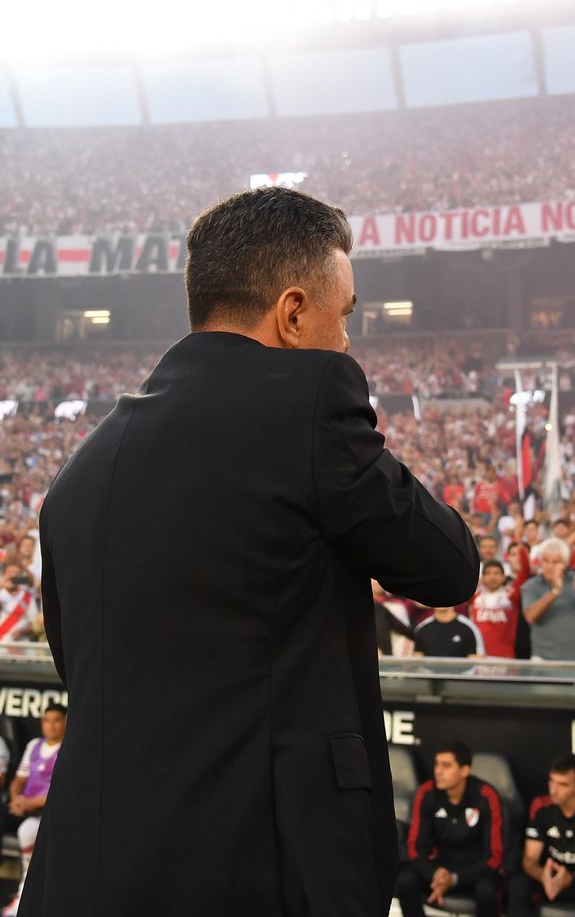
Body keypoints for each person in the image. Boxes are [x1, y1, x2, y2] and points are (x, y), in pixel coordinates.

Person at [28, 188, 479, 917]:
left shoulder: (80, 472)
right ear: (295, 313)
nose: (348, 341)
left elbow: (81, 665)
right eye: (347, 315)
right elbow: (450, 564)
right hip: (263, 868)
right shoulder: (308, 407)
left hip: (90, 866)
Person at [396, 741, 504, 917]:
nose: (438, 771)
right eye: (437, 764)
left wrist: (455, 878)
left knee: (487, 891)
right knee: (406, 880)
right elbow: (415, 848)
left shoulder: (486, 795)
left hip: (474, 869)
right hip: (439, 866)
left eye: (446, 766)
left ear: (464, 770)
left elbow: (494, 856)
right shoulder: (426, 793)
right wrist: (435, 875)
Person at [508, 755, 575, 917]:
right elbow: (529, 859)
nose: (553, 790)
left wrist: (572, 878)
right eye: (551, 781)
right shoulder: (540, 807)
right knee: (519, 884)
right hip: (551, 880)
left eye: (563, 784)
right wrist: (542, 875)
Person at [3, 704, 66, 916]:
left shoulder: (68, 748)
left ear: (66, 721)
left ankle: (24, 893)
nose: (51, 725)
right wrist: (16, 799)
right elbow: (18, 781)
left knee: (28, 831)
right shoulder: (34, 745)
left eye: (56, 720)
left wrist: (31, 804)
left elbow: (63, 788)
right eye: (46, 720)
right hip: (25, 806)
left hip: (48, 810)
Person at [521, 538, 575, 661]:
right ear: (540, 562)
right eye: (546, 561)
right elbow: (530, 616)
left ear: (565, 563)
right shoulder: (531, 586)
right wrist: (555, 591)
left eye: (556, 562)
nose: (550, 566)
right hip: (543, 661)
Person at [469, 559, 522, 659]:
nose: (492, 577)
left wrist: (521, 550)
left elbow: (524, 575)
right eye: (488, 573)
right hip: (479, 656)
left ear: (503, 577)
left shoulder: (511, 595)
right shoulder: (474, 596)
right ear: (482, 578)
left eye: (496, 573)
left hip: (505, 656)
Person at [413, 606, 485, 658]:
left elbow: (477, 662)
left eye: (445, 595)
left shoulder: (469, 628)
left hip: (461, 677)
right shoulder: (422, 628)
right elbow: (417, 662)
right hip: (430, 678)